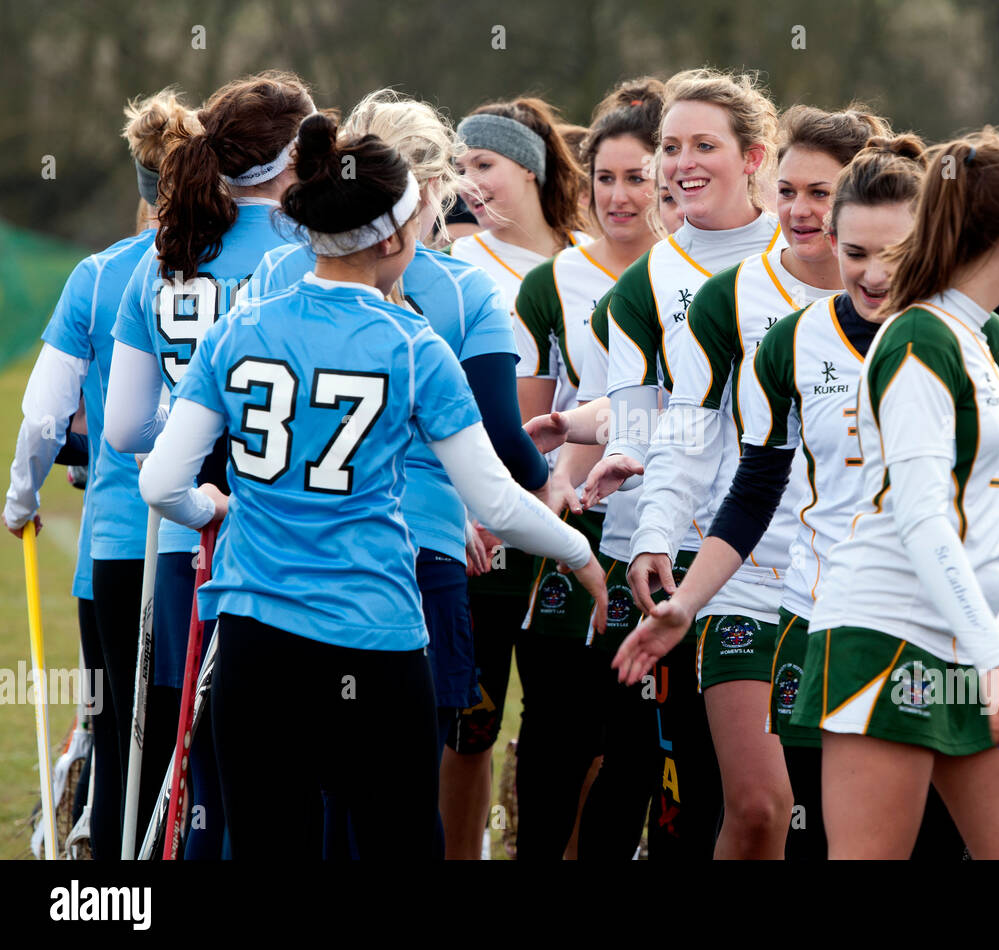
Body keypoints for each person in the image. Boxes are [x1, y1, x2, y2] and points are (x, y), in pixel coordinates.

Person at [135, 113, 606, 859]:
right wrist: (576, 552)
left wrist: (210, 506)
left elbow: (161, 479)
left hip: (257, 636)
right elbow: (493, 502)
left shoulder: (241, 327)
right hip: (372, 638)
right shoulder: (415, 345)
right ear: (392, 237)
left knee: (268, 847)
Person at [249, 88, 553, 856]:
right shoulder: (464, 289)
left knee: (294, 796)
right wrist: (558, 492)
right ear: (433, 189)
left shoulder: (281, 276)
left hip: (280, 562)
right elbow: (502, 449)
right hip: (411, 561)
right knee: (394, 795)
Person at [781, 127, 999, 859]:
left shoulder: (978, 337)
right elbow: (919, 523)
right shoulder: (920, 340)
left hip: (963, 639)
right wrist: (994, 660)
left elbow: (931, 501)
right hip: (883, 642)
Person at [587, 103, 884, 859]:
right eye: (788, 192)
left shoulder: (907, 305)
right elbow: (687, 433)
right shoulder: (733, 299)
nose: (800, 211)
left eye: (822, 194)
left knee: (842, 817)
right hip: (745, 575)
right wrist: (654, 532)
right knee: (758, 807)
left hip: (864, 581)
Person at [105, 70, 316, 858]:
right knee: (283, 779)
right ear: (297, 154)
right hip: (289, 540)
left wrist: (194, 437)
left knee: (198, 771)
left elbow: (125, 426)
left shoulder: (160, 256)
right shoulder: (309, 257)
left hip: (184, 536)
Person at [574, 67, 782, 859]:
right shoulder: (649, 280)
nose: (682, 163)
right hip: (694, 543)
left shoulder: (806, 250)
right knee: (696, 777)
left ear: (753, 156)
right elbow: (644, 412)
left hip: (810, 550)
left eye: (705, 145)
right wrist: (620, 454)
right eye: (670, 146)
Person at [3, 88, 193, 858]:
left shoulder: (103, 273)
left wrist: (20, 497)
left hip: (119, 545)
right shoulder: (266, 266)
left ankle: (113, 890)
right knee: (195, 743)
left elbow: (46, 416)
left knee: (120, 739)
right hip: (219, 538)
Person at [511, 79, 665, 859]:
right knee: (555, 733)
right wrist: (552, 491)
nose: (618, 194)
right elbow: (529, 429)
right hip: (576, 525)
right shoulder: (554, 282)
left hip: (667, 527)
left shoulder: (702, 278)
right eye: (604, 177)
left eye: (637, 176)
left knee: (638, 742)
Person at [443, 94, 592, 859]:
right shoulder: (457, 266)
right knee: (469, 724)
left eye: (485, 165)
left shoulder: (590, 258)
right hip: (481, 531)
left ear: (530, 171)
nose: (468, 182)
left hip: (575, 524)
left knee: (567, 726)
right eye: (460, 166)